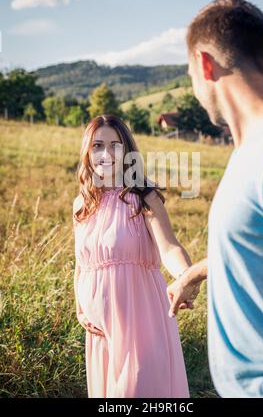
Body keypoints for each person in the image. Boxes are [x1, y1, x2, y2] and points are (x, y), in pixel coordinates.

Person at [167, 0, 263, 398]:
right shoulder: (251, 151)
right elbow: (262, 245)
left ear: (205, 65)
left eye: (190, 74)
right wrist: (194, 273)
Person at [72, 114, 194, 398]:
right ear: (87, 152)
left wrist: (187, 276)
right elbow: (82, 264)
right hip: (99, 331)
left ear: (127, 151)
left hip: (141, 325)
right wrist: (80, 308)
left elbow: (169, 247)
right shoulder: (82, 204)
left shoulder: (143, 197)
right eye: (97, 145)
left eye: (114, 145)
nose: (105, 154)